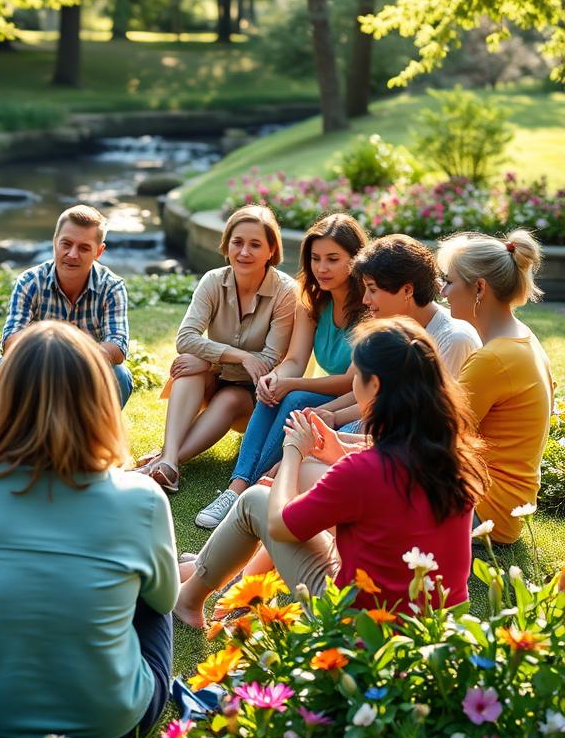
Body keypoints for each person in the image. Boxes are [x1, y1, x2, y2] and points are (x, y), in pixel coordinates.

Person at [0, 321, 179, 738]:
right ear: (100, 400)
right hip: (113, 723)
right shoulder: (142, 498)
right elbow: (163, 602)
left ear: (2, 397)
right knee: (150, 594)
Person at [174, 317, 489, 624]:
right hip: (432, 629)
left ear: (374, 384)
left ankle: (189, 599)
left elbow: (281, 525)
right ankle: (224, 575)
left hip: (360, 627)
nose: (354, 381)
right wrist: (340, 451)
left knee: (255, 499)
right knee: (308, 490)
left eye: (357, 373)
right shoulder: (454, 455)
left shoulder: (364, 470)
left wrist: (293, 452)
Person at [195, 213, 368, 530]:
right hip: (329, 390)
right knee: (275, 391)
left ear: (356, 260)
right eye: (315, 258)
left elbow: (352, 381)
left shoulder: (370, 307)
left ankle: (250, 489)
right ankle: (239, 488)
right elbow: (295, 358)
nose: (322, 268)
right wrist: (276, 377)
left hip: (358, 400)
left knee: (294, 395)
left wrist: (289, 383)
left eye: (333, 259)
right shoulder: (312, 300)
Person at [136, 205, 298, 493]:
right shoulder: (213, 280)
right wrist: (227, 361)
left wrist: (212, 362)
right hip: (215, 381)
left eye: (255, 244)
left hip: (257, 395)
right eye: (237, 242)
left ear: (271, 250)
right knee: (188, 361)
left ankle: (163, 460)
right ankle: (169, 462)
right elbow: (185, 338)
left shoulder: (286, 292)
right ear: (226, 245)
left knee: (228, 397)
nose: (244, 252)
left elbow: (269, 362)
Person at [437, 229, 554, 544]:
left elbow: (434, 438)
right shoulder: (521, 337)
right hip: (503, 504)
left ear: (479, 288)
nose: (443, 293)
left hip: (485, 510)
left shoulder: (494, 359)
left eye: (448, 281)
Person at [308, 234, 481, 430]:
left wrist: (337, 423)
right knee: (300, 409)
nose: (365, 300)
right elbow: (374, 393)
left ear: (407, 290)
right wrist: (326, 412)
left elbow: (422, 417)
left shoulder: (453, 339)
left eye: (372, 289)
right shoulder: (388, 326)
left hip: (412, 443)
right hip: (382, 430)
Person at [0, 204, 132, 406]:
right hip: (36, 369)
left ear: (99, 251)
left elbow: (117, 347)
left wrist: (72, 356)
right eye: (66, 244)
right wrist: (54, 352)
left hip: (88, 372)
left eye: (84, 248)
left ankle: (92, 436)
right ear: (54, 243)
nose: (72, 254)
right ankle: (20, 435)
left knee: (119, 376)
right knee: (3, 367)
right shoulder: (29, 281)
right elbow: (10, 340)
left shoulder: (112, 287)